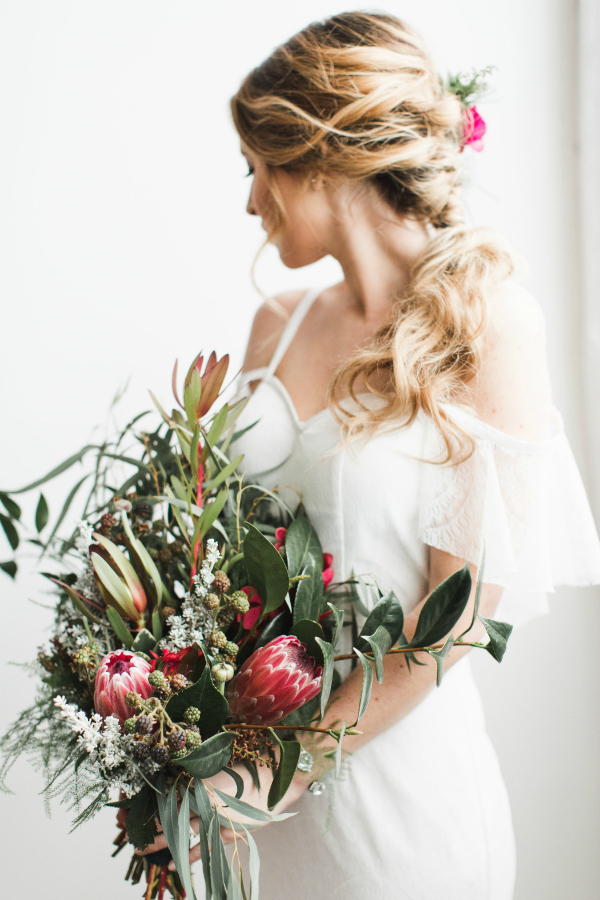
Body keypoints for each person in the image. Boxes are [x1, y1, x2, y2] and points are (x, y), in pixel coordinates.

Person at [140, 12, 600, 898]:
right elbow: (226, 560)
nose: (247, 201)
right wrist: (170, 743)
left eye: (255, 166)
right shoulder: (276, 324)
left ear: (317, 150)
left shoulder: (490, 325)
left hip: (400, 812)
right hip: (257, 809)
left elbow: (456, 619)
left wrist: (272, 777)